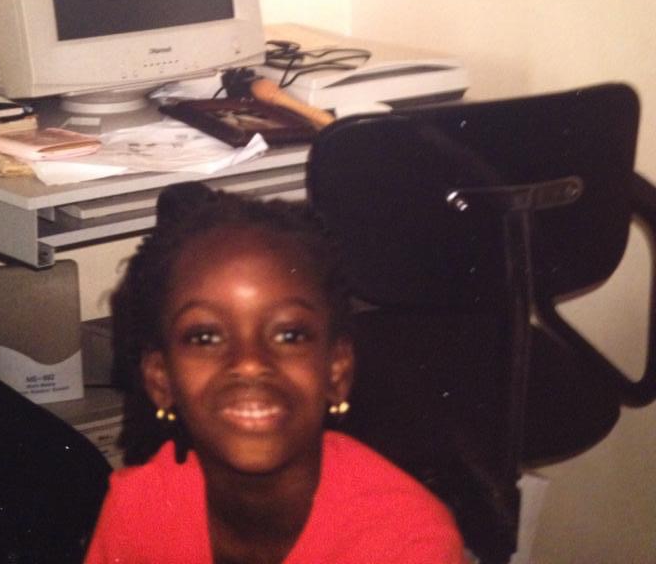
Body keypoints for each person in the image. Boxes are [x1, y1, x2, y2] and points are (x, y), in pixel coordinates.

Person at [84, 182, 465, 564]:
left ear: (336, 369)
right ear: (161, 379)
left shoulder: (408, 543)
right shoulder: (138, 510)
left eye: (289, 334)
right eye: (204, 337)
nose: (249, 363)